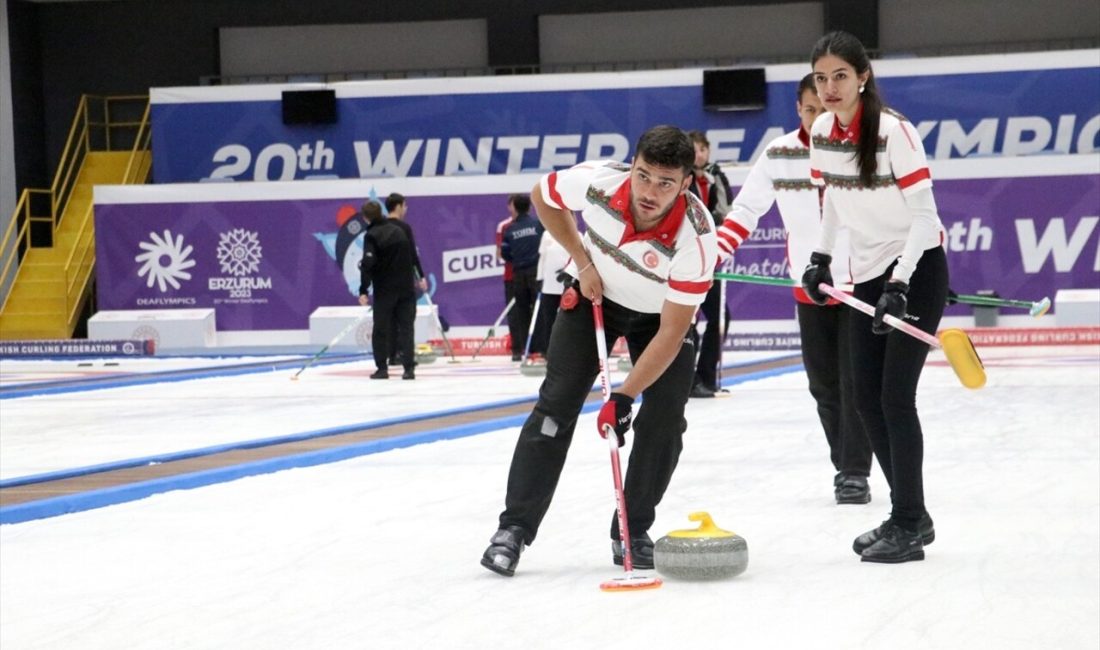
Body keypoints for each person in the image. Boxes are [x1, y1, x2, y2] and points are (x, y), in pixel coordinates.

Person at [480, 125, 719, 577]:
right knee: (553, 411)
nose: (651, 192)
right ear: (633, 166)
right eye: (644, 176)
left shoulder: (698, 239)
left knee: (665, 419)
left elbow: (671, 332)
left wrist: (625, 396)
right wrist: (584, 261)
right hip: (594, 298)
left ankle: (631, 529)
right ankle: (513, 529)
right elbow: (542, 196)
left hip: (659, 318)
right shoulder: (598, 181)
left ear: (686, 184)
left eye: (666, 183)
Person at [802, 31, 948, 563]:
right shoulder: (821, 129)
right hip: (867, 272)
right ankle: (910, 514)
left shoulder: (894, 133)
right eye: (821, 78)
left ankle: (909, 521)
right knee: (864, 400)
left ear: (862, 77)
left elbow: (925, 218)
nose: (830, 87)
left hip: (917, 267)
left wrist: (901, 282)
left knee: (894, 398)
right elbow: (836, 200)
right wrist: (822, 257)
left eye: (840, 75)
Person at [715, 73, 873, 505]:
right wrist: (712, 253)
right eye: (809, 109)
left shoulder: (863, 147)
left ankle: (855, 471)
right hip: (810, 288)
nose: (818, 116)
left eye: (824, 108)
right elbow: (746, 210)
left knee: (855, 383)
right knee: (824, 386)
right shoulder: (779, 154)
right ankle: (845, 463)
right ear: (799, 109)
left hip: (862, 284)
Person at [685, 130, 733, 398]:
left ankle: (706, 377)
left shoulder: (717, 176)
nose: (699, 154)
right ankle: (688, 380)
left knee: (720, 318)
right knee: (687, 321)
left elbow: (728, 212)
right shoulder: (681, 177)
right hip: (687, 261)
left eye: (703, 149)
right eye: (694, 149)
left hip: (711, 260)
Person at [358, 201, 417, 381]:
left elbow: (368, 263)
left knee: (381, 329)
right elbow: (411, 258)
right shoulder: (398, 231)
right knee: (406, 328)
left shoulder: (372, 235)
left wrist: (363, 290)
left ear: (365, 218)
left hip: (385, 289)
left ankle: (382, 368)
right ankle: (408, 369)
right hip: (406, 288)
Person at [383, 193, 428, 367]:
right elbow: (412, 255)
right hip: (403, 281)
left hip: (385, 282)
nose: (406, 209)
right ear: (399, 206)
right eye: (405, 206)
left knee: (390, 320)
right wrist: (421, 276)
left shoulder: (379, 227)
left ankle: (391, 355)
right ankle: (404, 355)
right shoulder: (404, 228)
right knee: (405, 320)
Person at [500, 194, 544, 361]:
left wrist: (518, 260)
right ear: (530, 207)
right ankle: (540, 349)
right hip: (536, 273)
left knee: (521, 313)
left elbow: (505, 253)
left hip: (518, 274)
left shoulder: (510, 229)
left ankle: (522, 350)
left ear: (514, 208)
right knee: (539, 310)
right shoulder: (538, 225)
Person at [526, 229, 571, 362]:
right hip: (549, 285)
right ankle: (547, 350)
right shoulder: (547, 234)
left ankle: (566, 350)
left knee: (568, 319)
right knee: (548, 319)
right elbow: (542, 259)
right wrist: (540, 278)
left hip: (567, 283)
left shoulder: (576, 234)